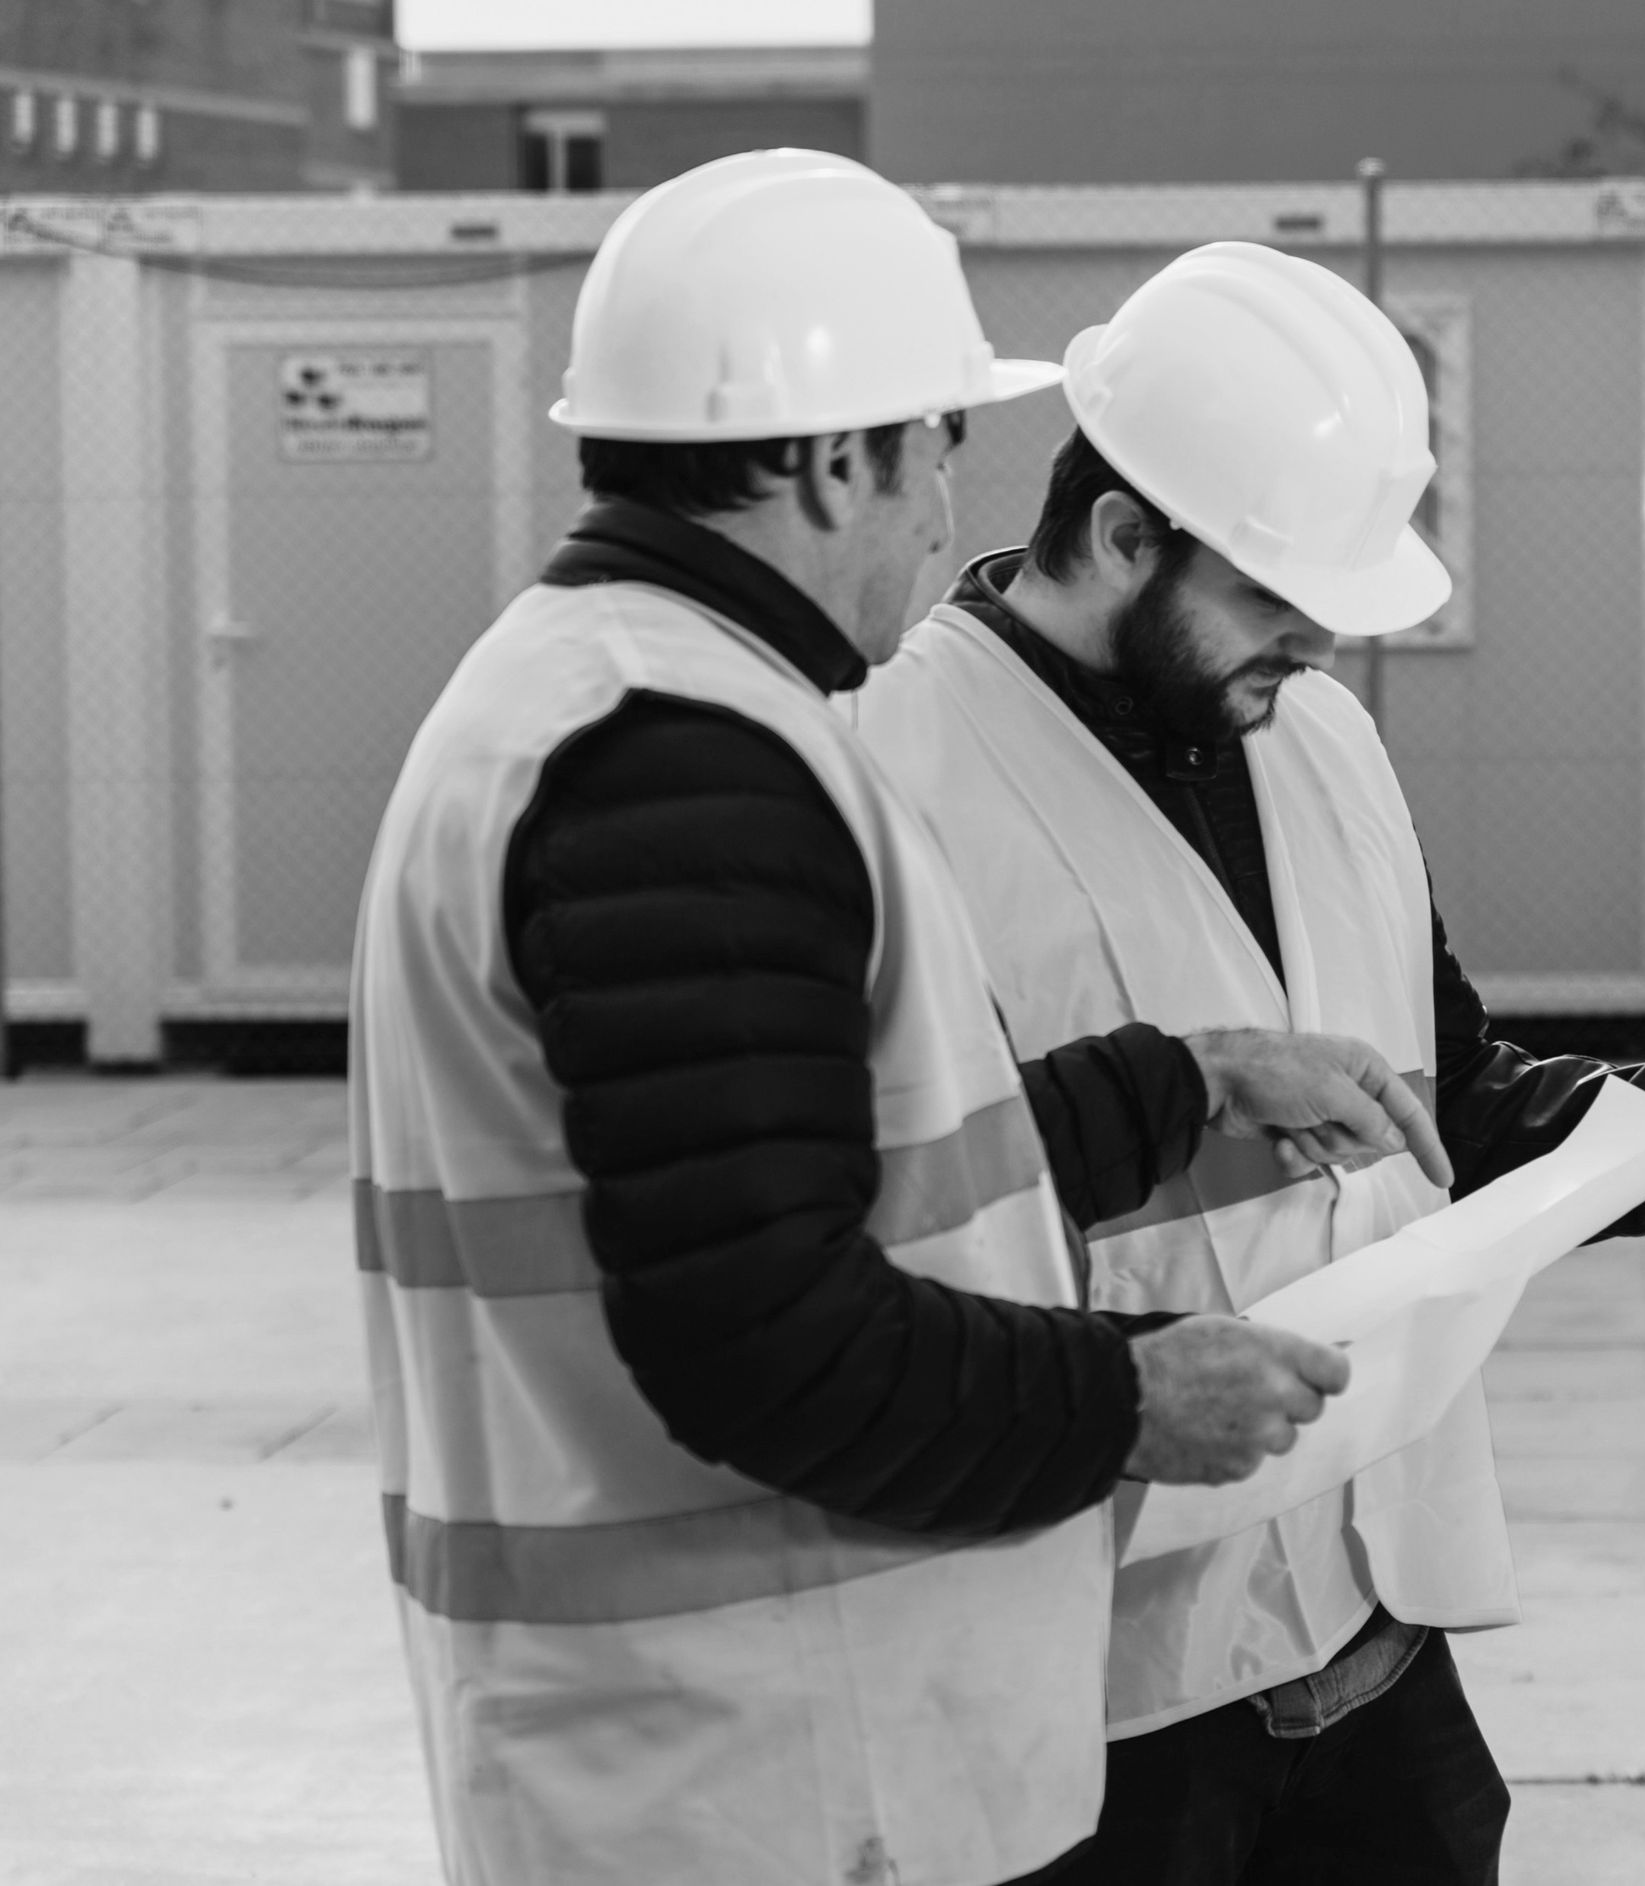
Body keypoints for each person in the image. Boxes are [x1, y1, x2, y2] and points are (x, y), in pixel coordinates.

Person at [349, 160, 1457, 1886]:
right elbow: (760, 1329)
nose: (949, 513)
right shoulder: (681, 762)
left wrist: (1176, 1083)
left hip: (712, 1740)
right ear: (827, 458)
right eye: (934, 447)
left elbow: (828, 1168)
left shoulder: (604, 701)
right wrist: (1128, 1395)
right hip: (740, 1760)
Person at [856, 242, 1645, 1885]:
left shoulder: (1316, 735)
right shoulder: (888, 768)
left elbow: (1429, 1094)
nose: (1313, 646)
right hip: (1103, 1688)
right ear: (1122, 535)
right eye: (1275, 597)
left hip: (1375, 1628)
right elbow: (882, 1218)